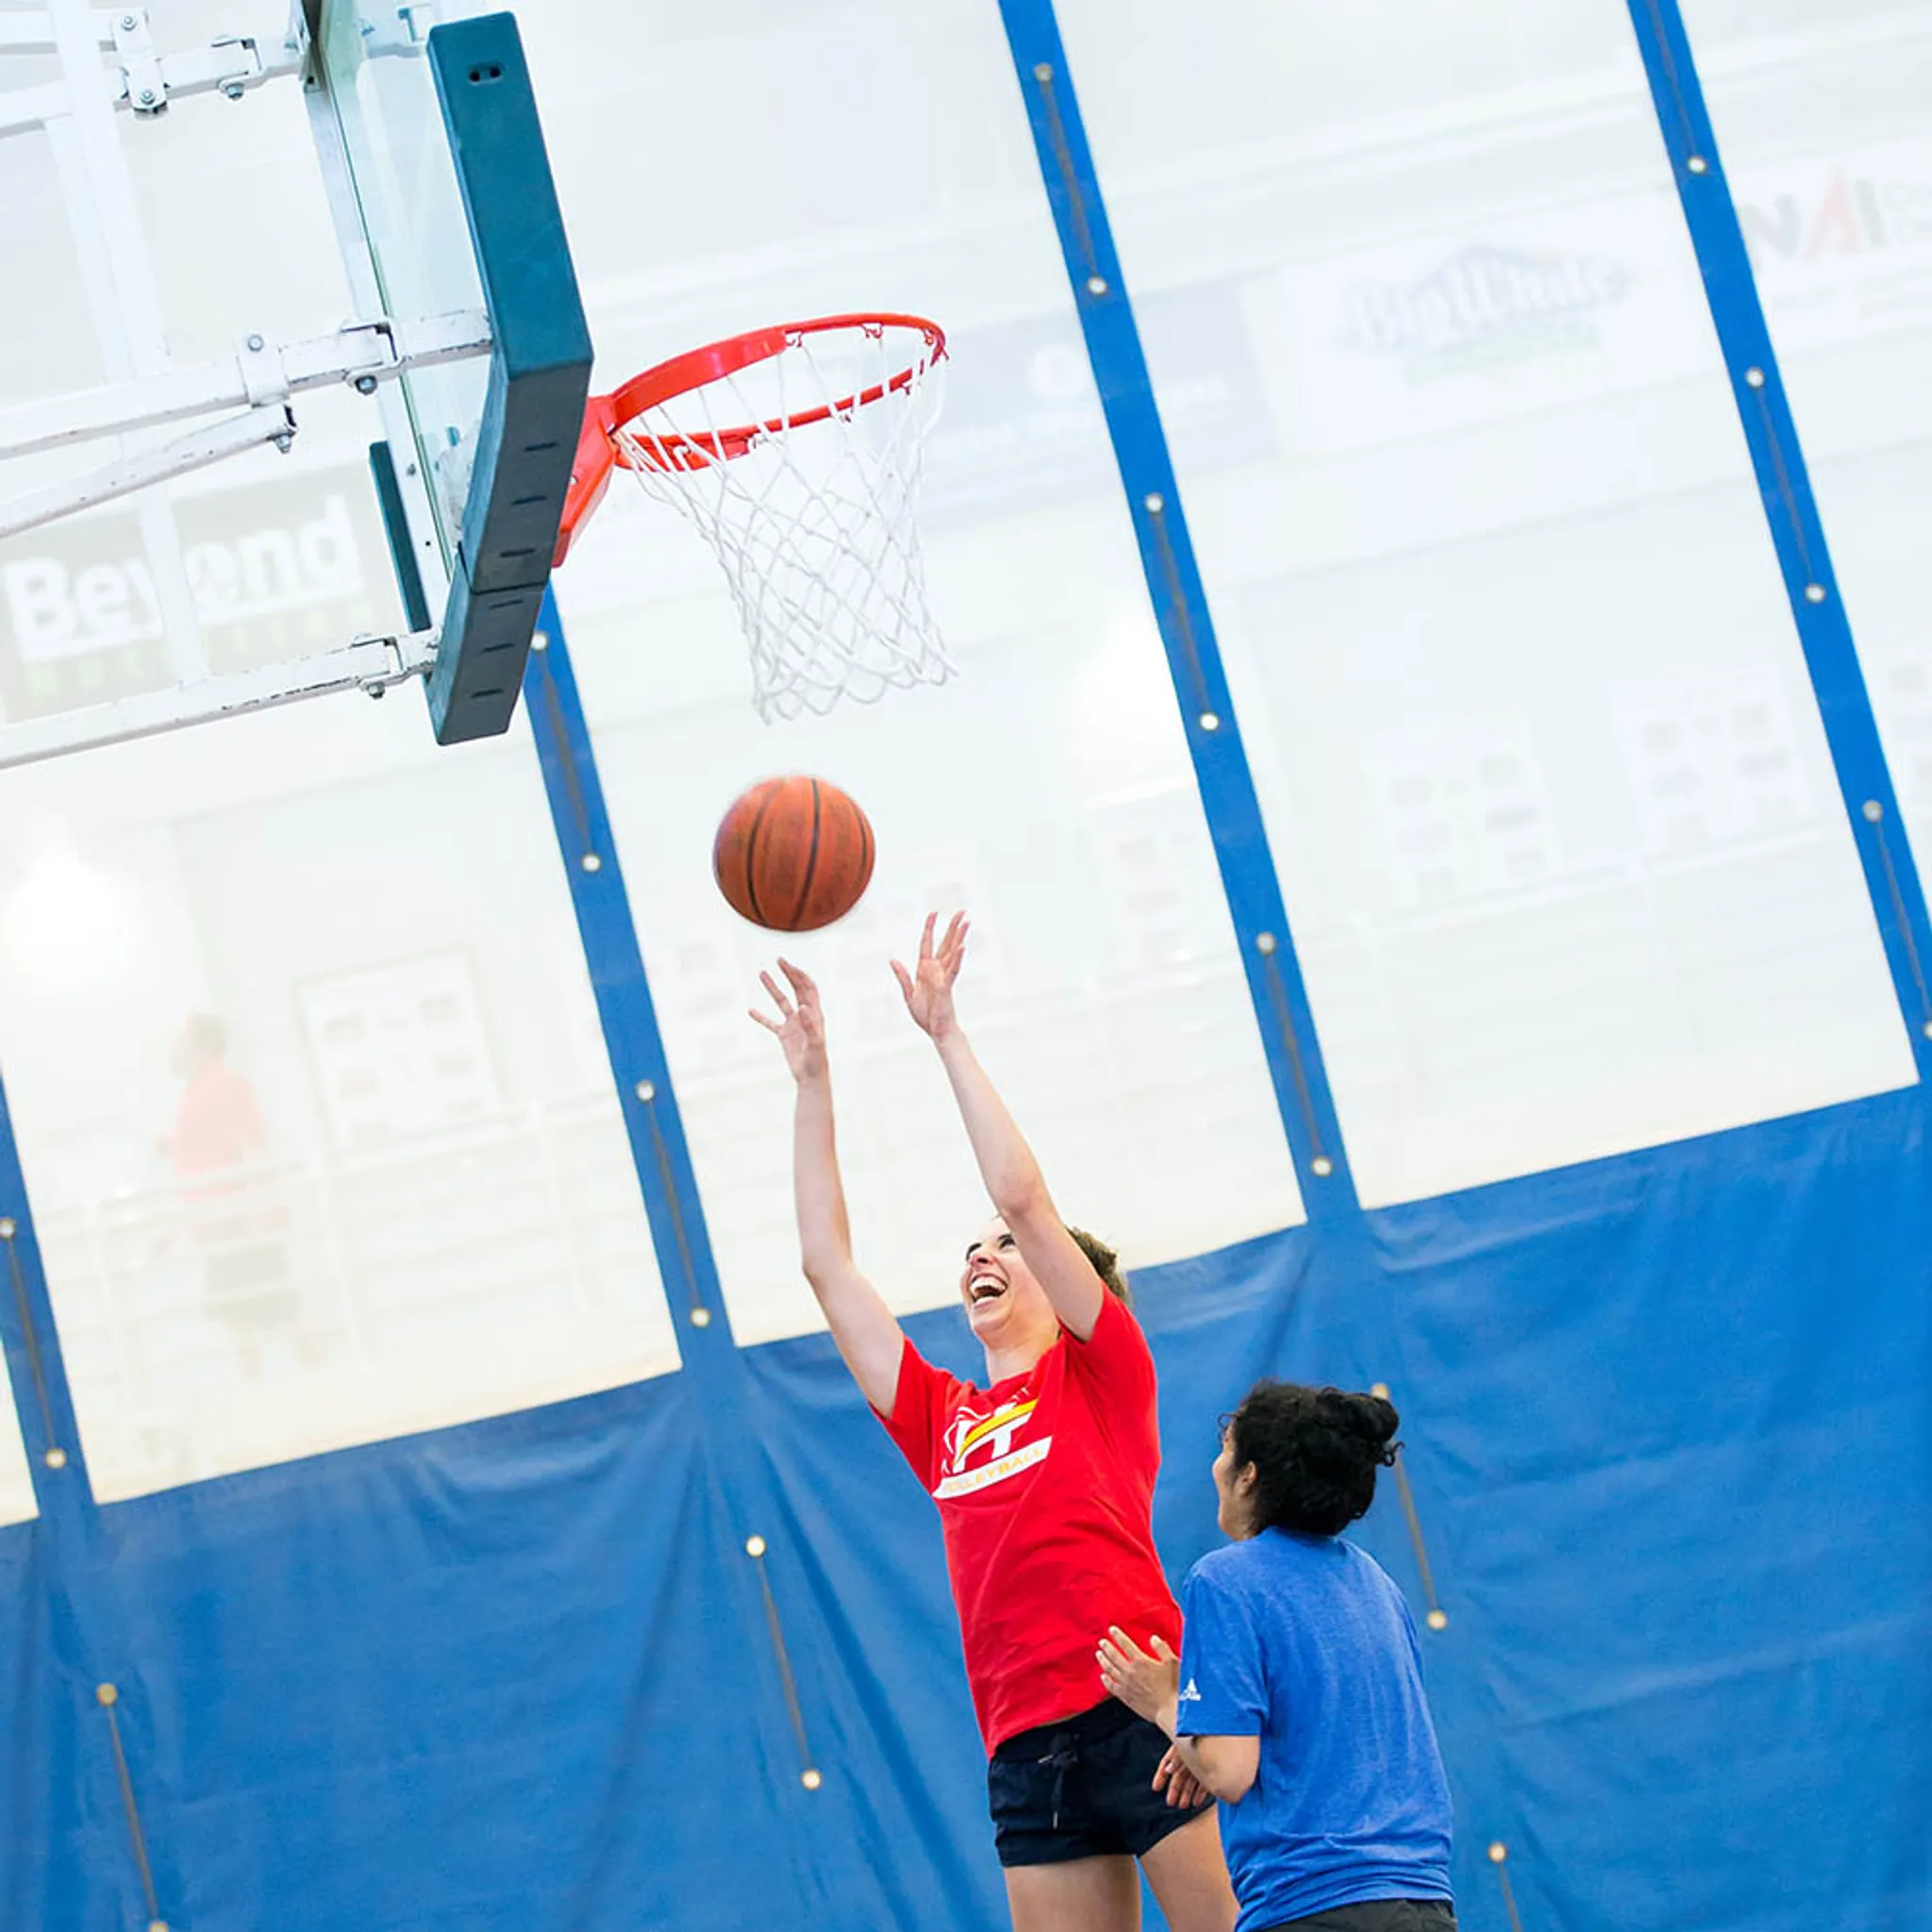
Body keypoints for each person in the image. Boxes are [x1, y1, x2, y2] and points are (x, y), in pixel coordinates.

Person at [752, 912, 1236, 1932]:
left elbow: (1019, 1192)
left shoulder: (1101, 1371)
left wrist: (944, 1034)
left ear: (1066, 1284)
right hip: (1024, 1746)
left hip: (1140, 1710)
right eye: (970, 1245)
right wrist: (812, 1085)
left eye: (1004, 1246)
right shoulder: (943, 1419)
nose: (984, 1249)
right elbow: (825, 1266)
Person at [1096, 1381, 1456, 1932]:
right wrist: (1199, 1733)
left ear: (1249, 1475)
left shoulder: (1226, 1579)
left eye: (1225, 1448)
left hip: (1311, 1906)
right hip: (1425, 1903)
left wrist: (1165, 1703)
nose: (1215, 1466)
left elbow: (1230, 1772)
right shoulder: (1377, 1585)